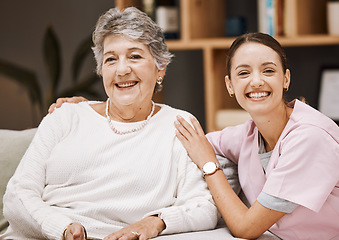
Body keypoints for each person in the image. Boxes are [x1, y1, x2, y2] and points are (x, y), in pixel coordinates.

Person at [1, 7, 219, 240]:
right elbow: (17, 195)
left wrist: (156, 222)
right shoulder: (65, 116)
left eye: (135, 56)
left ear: (160, 68)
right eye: (111, 59)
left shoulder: (179, 125)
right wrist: (63, 228)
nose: (122, 70)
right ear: (101, 69)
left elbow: (203, 206)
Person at [174, 32, 339, 240]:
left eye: (268, 70)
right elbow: (196, 143)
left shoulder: (311, 137)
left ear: (285, 79)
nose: (256, 81)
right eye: (244, 73)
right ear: (229, 85)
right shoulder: (249, 134)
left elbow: (246, 228)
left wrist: (209, 166)